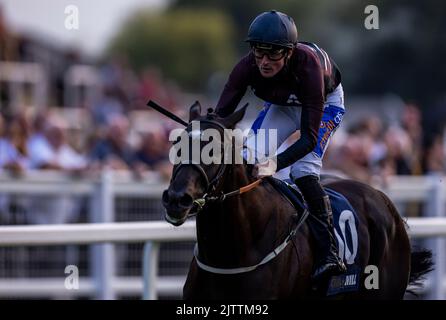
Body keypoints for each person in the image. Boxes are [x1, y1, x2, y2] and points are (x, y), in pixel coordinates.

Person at [215, 10, 346, 281]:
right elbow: (220, 117)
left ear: (289, 53)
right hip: (284, 105)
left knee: (303, 170)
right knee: (247, 155)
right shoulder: (245, 67)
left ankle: (329, 251)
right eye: (258, 52)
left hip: (323, 105)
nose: (263, 61)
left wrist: (273, 164)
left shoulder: (308, 66)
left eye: (273, 54)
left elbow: (308, 140)